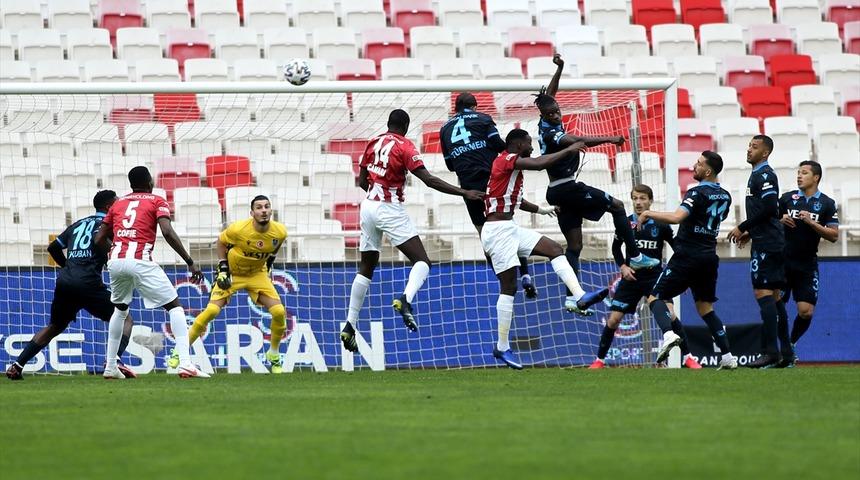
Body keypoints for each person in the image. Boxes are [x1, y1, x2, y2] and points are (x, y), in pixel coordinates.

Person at [340, 109, 485, 352]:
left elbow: (362, 181)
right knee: (423, 261)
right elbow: (429, 180)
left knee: (366, 268)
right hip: (389, 209)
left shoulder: (373, 141)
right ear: (406, 126)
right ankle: (406, 299)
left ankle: (349, 325)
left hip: (367, 207)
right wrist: (464, 192)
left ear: (388, 124)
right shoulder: (405, 147)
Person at [535, 54, 660, 312]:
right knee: (615, 205)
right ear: (544, 116)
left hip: (557, 190)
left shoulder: (544, 118)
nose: (557, 114)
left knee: (575, 245)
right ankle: (635, 255)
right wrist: (610, 139)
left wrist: (560, 69)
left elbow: (550, 94)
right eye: (552, 113)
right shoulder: (552, 132)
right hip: (567, 188)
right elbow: (579, 140)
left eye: (557, 111)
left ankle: (572, 298)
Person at [481, 129, 608, 370]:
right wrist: (568, 149)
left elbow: (515, 200)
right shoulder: (507, 158)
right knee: (508, 287)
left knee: (554, 249)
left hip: (508, 227)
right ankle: (502, 346)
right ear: (518, 144)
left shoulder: (510, 168)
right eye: (529, 143)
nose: (532, 147)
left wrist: (541, 210)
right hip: (497, 232)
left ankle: (579, 296)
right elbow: (540, 164)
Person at [6, 191, 137, 380]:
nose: (119, 206)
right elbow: (101, 243)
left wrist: (67, 266)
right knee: (125, 319)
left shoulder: (77, 224)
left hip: (65, 282)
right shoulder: (108, 225)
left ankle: (17, 366)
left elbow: (53, 248)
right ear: (109, 207)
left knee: (55, 326)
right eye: (116, 203)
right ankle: (114, 361)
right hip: (89, 283)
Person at [94, 166, 208, 379]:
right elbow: (167, 231)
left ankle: (110, 366)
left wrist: (114, 252)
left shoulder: (118, 203)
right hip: (140, 259)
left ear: (131, 185)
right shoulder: (157, 201)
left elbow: (99, 239)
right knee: (175, 307)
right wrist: (189, 261)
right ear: (149, 182)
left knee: (120, 310)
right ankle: (185, 363)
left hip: (116, 261)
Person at [639, 151, 738, 370]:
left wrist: (649, 213)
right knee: (706, 308)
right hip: (709, 257)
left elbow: (677, 217)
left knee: (654, 298)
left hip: (687, 255)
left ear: (708, 171)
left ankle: (667, 336)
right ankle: (728, 356)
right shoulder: (725, 196)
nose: (695, 166)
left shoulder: (697, 192)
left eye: (699, 164)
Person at [169, 195, 288, 374]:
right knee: (211, 311)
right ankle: (180, 350)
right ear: (252, 212)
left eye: (266, 207)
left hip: (257, 274)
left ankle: (274, 354)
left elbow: (274, 249)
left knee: (279, 312)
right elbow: (221, 242)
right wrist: (223, 269)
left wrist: (268, 267)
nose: (263, 210)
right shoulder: (239, 229)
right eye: (259, 207)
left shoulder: (280, 232)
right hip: (233, 273)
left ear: (271, 210)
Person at [589, 185, 701, 369]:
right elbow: (616, 248)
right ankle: (599, 360)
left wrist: (683, 274)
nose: (638, 202)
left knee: (671, 314)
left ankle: (688, 357)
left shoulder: (661, 225)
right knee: (613, 320)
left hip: (654, 277)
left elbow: (678, 248)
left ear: (650, 200)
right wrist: (623, 266)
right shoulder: (624, 223)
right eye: (635, 198)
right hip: (631, 278)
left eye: (642, 198)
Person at [440, 92, 538, 298]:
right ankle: (526, 274)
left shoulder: (444, 129)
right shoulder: (483, 119)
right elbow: (497, 144)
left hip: (469, 188)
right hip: (491, 180)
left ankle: (504, 280)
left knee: (485, 235)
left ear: (455, 108)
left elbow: (449, 164)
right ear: (474, 106)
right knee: (507, 226)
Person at [727, 135, 786, 368]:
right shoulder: (757, 175)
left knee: (763, 293)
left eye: (754, 147)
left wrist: (743, 226)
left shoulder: (765, 175)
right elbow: (769, 211)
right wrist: (750, 233)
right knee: (774, 296)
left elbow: (772, 208)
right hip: (767, 239)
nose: (749, 150)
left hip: (768, 244)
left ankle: (770, 351)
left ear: (765, 153)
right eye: (749, 145)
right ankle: (786, 352)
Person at [775, 161, 839, 368]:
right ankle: (776, 350)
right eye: (798, 173)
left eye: (804, 173)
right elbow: (768, 219)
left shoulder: (827, 203)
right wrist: (780, 219)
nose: (799, 176)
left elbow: (834, 235)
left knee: (806, 311)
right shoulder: (787, 199)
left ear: (816, 177)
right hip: (782, 262)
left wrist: (812, 223)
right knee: (776, 308)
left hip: (807, 264)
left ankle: (791, 344)